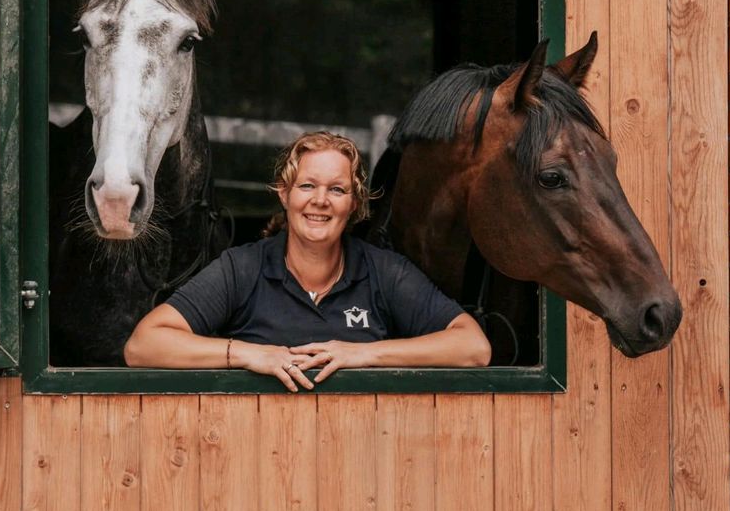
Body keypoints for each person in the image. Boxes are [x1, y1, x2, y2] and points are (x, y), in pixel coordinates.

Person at [124, 131, 491, 390]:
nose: (321, 200)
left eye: (337, 189)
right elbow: (144, 346)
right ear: (284, 195)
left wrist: (363, 355)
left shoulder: (384, 271)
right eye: (307, 186)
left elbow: (473, 348)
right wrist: (250, 355)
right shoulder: (244, 268)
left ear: (354, 203)